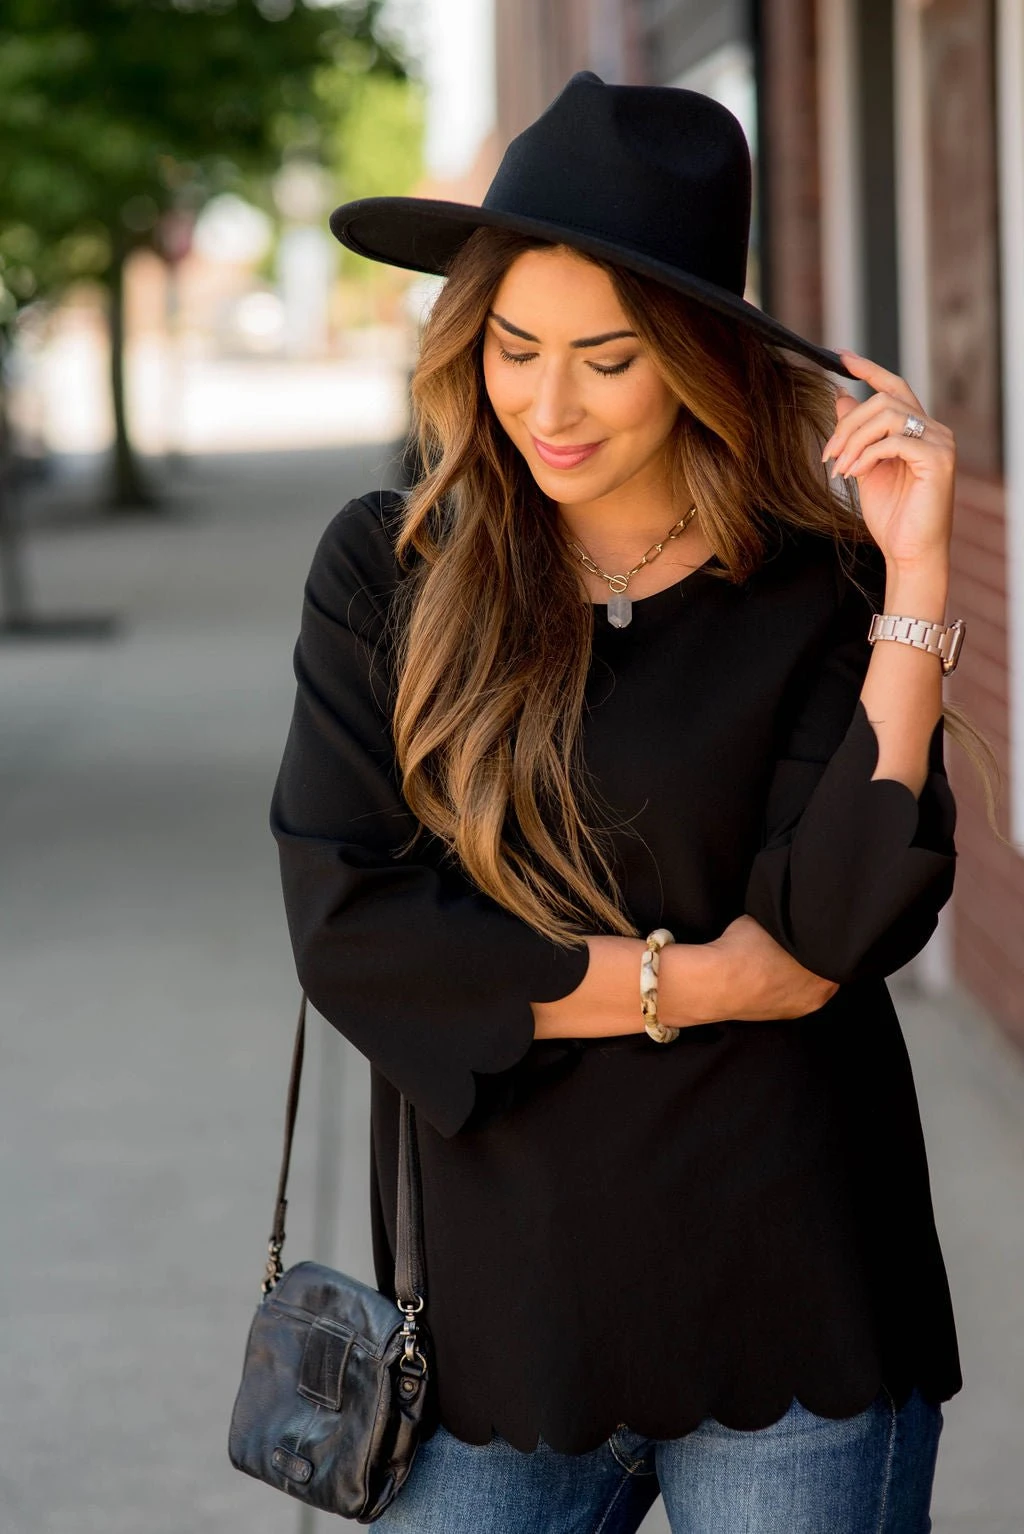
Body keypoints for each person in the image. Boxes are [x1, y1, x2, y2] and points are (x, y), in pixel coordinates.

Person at [269, 73, 980, 1532]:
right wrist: (690, 978)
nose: (549, 404)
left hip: (796, 1299)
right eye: (514, 347)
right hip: (496, 1323)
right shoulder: (388, 574)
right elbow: (356, 933)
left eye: (608, 358)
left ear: (701, 357)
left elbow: (839, 924)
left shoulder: (818, 582)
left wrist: (913, 578)